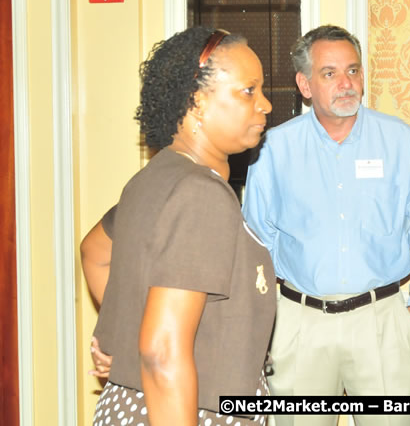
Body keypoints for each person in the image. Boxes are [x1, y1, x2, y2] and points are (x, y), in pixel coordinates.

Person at [242, 24, 410, 426]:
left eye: (353, 71)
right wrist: (262, 324)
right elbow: (256, 244)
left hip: (382, 322)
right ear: (304, 85)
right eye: (330, 73)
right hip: (298, 324)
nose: (346, 83)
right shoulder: (273, 150)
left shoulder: (402, 143)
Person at [81, 27, 277, 426]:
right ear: (198, 102)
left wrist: (127, 340)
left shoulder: (156, 176)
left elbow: (94, 253)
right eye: (248, 91)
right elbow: (162, 352)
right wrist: (146, 354)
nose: (266, 105)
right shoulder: (201, 194)